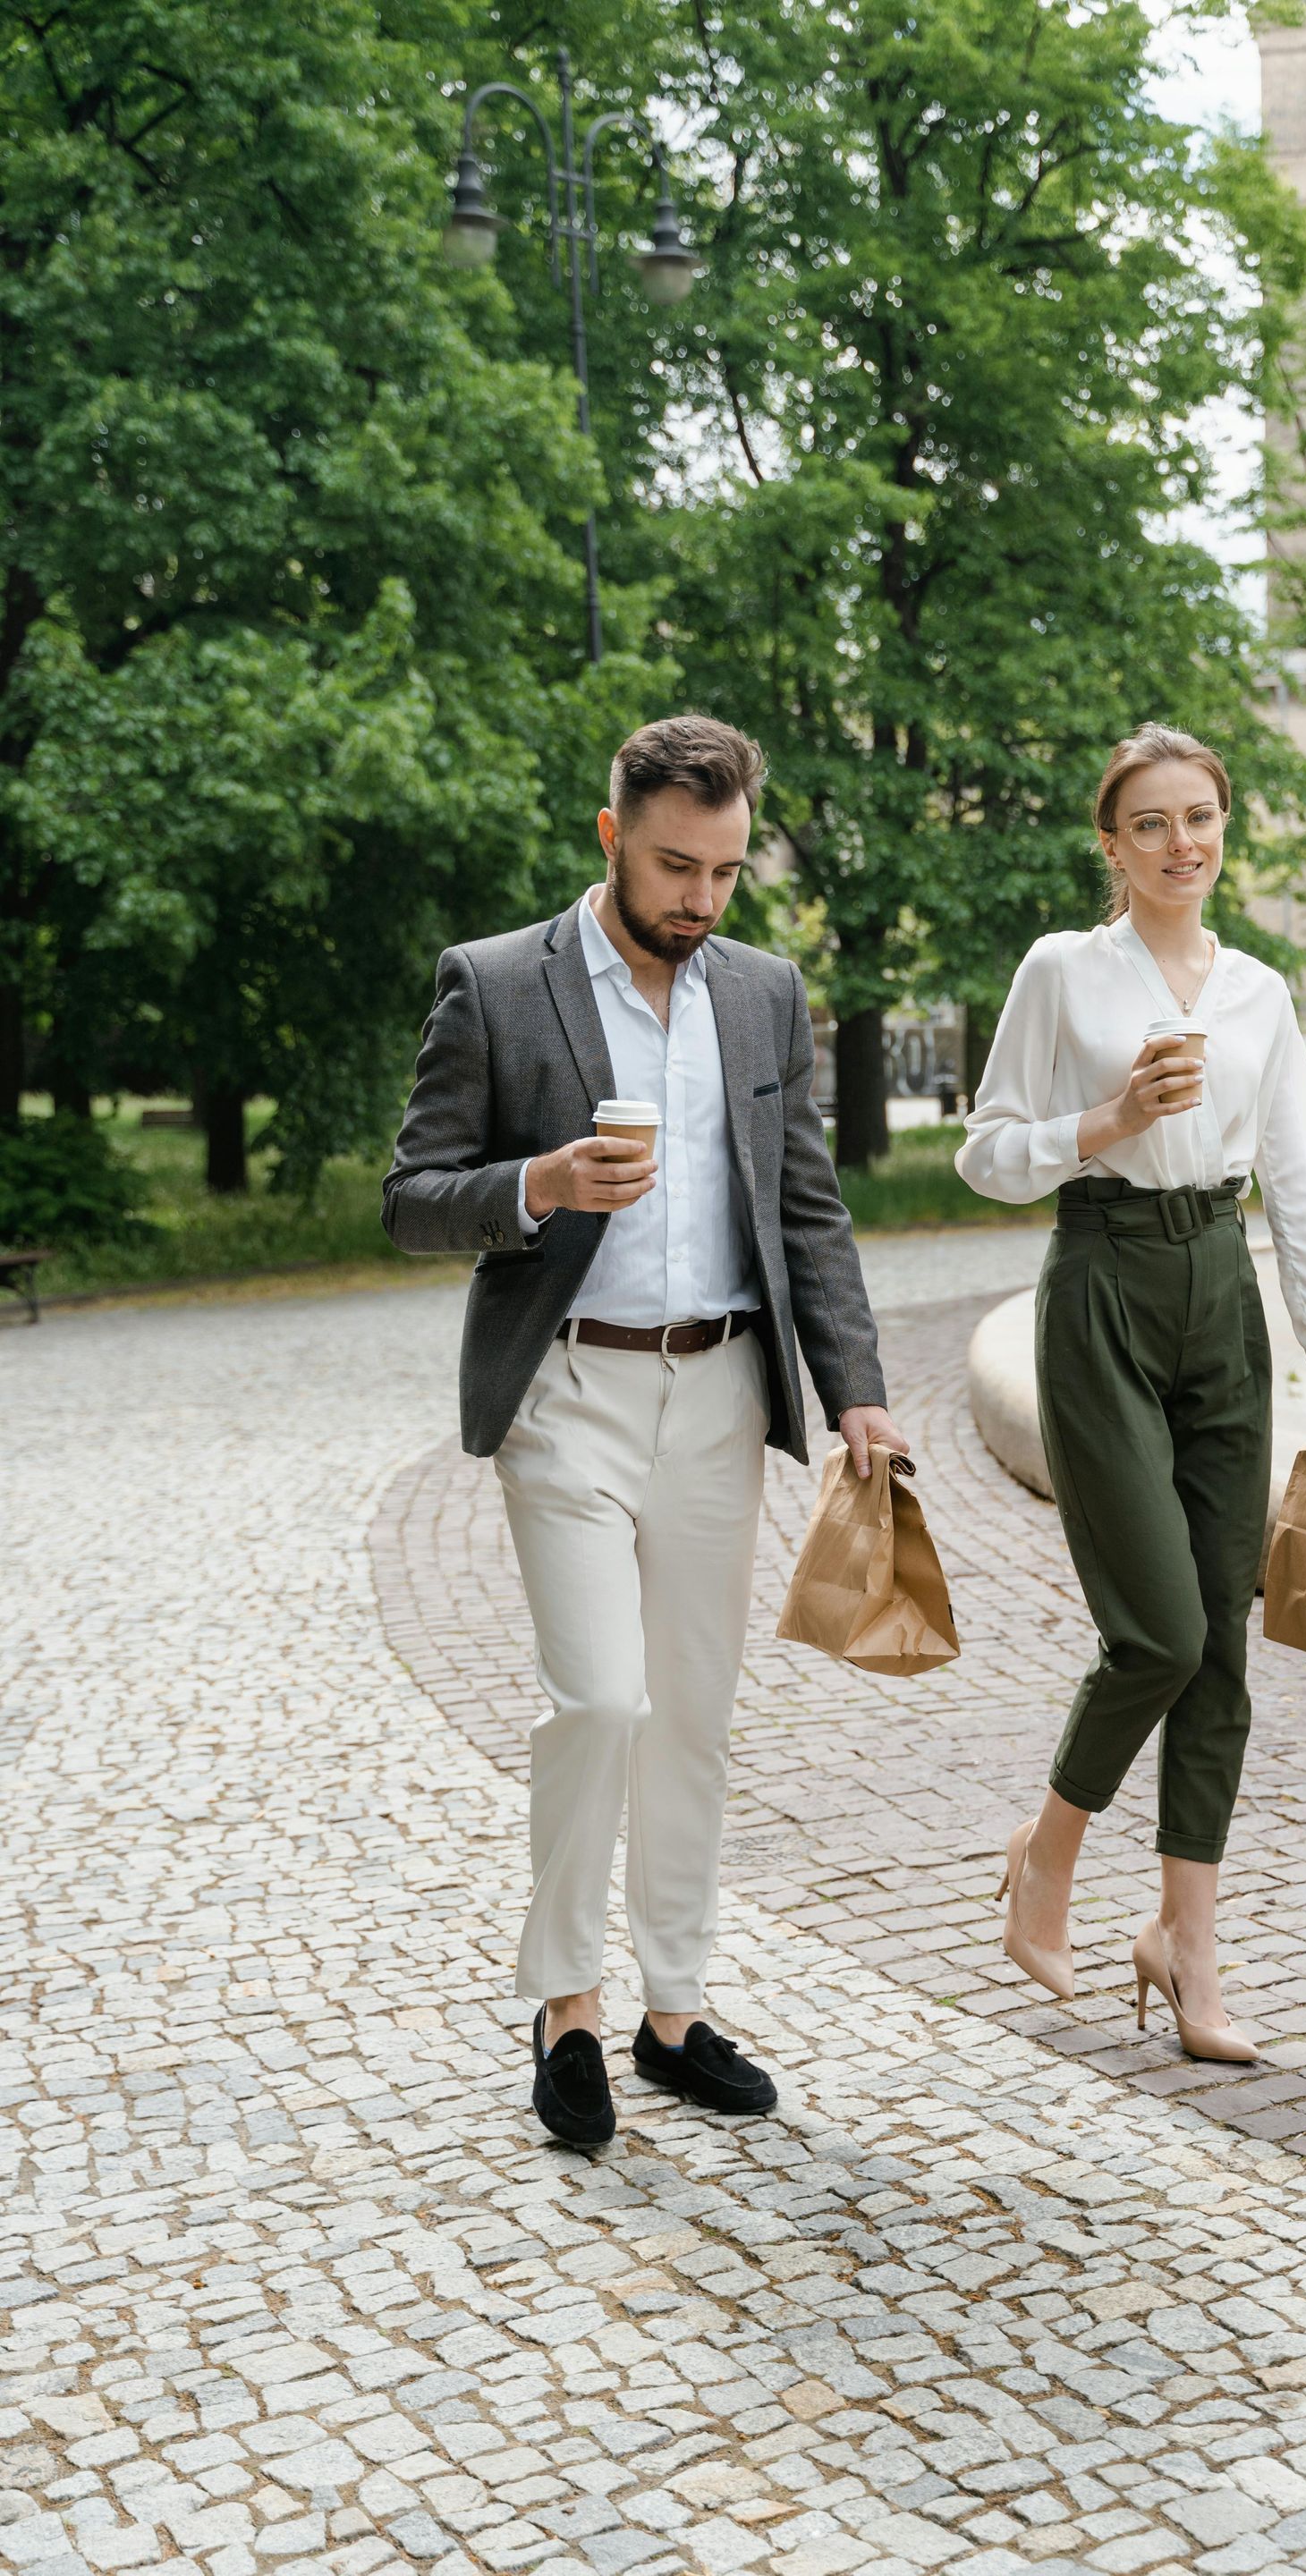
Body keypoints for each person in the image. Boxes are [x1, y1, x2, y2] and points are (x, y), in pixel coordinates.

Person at [385, 714, 909, 2148]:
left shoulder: (759, 994)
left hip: (723, 1390)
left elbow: (808, 1205)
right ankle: (565, 2009)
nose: (703, 900)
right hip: (567, 1390)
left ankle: (673, 2014)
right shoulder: (495, 985)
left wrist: (854, 1384)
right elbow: (411, 1196)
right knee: (599, 1701)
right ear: (612, 836)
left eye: (729, 872)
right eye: (679, 867)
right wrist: (541, 1182)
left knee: (693, 1713)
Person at [956, 723, 1306, 2062]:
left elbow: (1303, 1203)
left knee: (1223, 1643)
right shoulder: (1062, 974)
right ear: (1112, 844)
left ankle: (1186, 1950)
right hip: (1100, 1284)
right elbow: (983, 1157)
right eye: (1149, 823)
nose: (1180, 843)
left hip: (1224, 1295)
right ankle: (1050, 1849)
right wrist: (1106, 1125)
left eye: (1198, 817)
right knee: (1156, 1631)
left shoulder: (1260, 995)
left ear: (1225, 827)